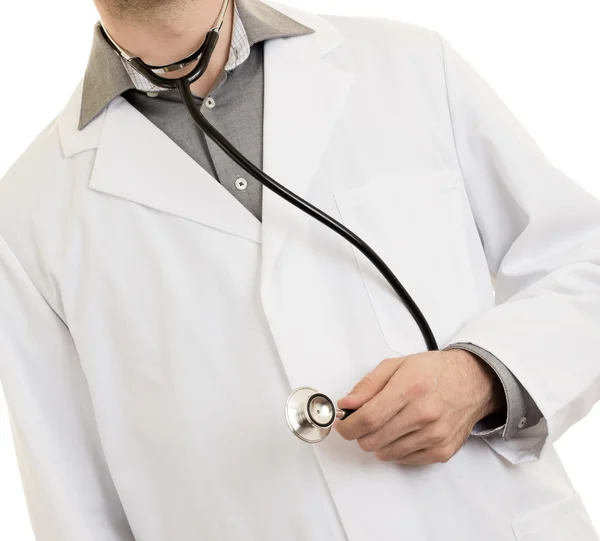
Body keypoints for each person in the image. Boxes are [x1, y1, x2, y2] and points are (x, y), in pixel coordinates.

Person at [1, 0, 599, 539]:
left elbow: (583, 259)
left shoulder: (409, 65)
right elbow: (73, 505)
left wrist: (483, 377)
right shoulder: (30, 212)